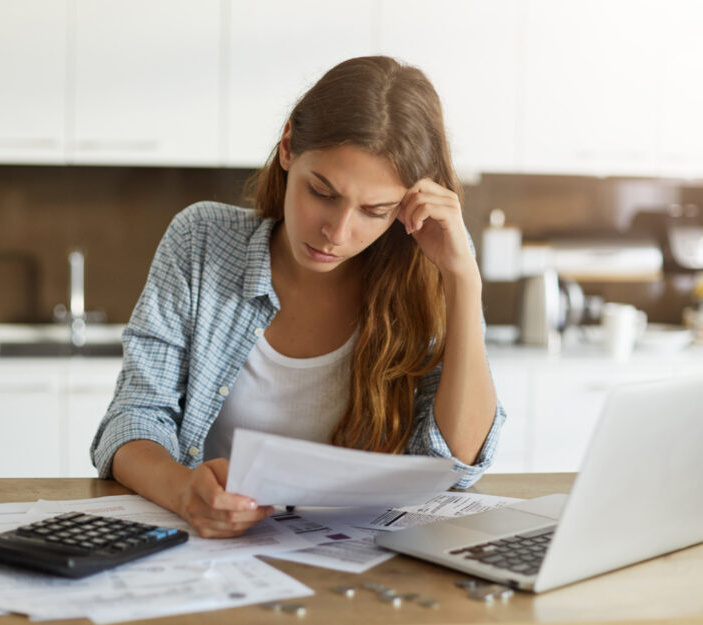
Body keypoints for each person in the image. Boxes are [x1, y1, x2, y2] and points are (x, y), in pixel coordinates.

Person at [91, 56, 506, 538]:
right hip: (217, 554)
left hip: (361, 565)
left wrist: (463, 280)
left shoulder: (431, 270)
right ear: (288, 147)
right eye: (322, 192)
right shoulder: (200, 240)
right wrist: (186, 493)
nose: (337, 231)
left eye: (374, 211)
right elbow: (133, 418)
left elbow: (459, 460)